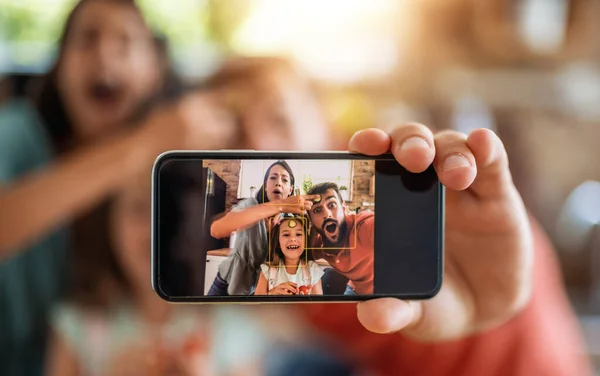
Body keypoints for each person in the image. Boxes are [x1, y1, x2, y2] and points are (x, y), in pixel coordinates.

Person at [0, 0, 235, 373]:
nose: (104, 54)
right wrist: (140, 144)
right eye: (86, 39)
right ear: (59, 67)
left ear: (156, 70)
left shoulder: (179, 169)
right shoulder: (15, 136)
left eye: (125, 42)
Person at [301, 125, 593, 376]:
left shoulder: (390, 176)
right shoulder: (296, 259)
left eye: (280, 117)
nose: (263, 139)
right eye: (251, 135)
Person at [208, 160, 318, 296]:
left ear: (290, 189)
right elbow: (216, 230)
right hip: (225, 285)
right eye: (273, 178)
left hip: (256, 291)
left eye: (285, 180)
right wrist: (279, 205)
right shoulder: (251, 206)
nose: (278, 182)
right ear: (265, 185)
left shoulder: (290, 222)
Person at [306, 182, 374, 295]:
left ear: (344, 208)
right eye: (317, 210)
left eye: (332, 205)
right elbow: (306, 257)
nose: (327, 214)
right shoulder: (321, 244)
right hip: (355, 290)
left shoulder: (365, 227)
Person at [255, 214, 324, 296]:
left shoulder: (313, 270)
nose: (293, 239)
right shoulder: (267, 271)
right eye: (286, 235)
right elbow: (256, 307)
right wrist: (271, 294)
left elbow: (319, 307)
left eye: (298, 234)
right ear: (278, 242)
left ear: (305, 241)